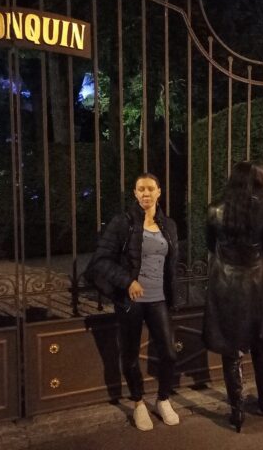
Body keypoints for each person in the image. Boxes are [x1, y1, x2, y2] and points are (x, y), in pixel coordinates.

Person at [90, 173, 180, 431]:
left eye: (150, 189)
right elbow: (101, 260)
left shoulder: (169, 225)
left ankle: (163, 399)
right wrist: (128, 281)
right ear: (134, 192)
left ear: (159, 192)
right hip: (132, 301)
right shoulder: (123, 223)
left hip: (158, 299)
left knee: (169, 353)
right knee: (129, 355)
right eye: (141, 189)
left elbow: (171, 265)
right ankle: (139, 402)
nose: (146, 194)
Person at [203, 161, 263, 433]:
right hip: (256, 286)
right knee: (260, 345)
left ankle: (236, 410)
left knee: (231, 351)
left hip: (225, 286)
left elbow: (209, 245)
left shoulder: (215, 209)